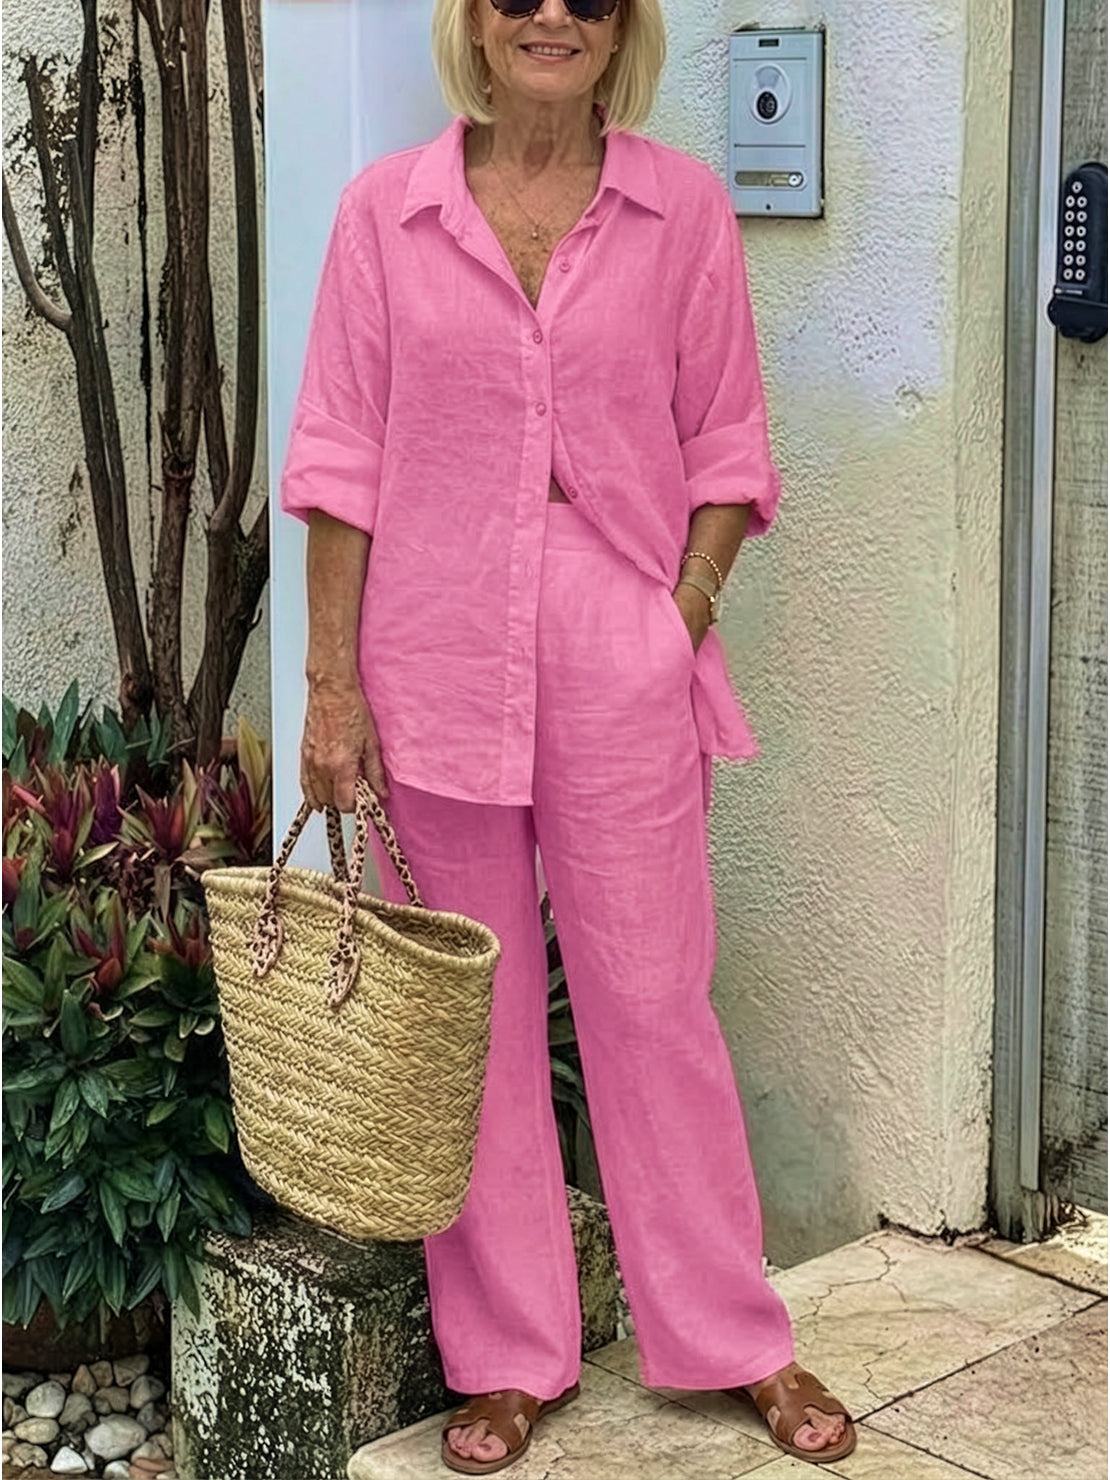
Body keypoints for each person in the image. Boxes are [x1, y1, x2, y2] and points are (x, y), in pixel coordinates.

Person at [279, 0, 856, 1471]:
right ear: (470, 20)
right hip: (431, 653)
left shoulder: (681, 211)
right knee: (466, 1016)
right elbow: (340, 458)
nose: (551, 14)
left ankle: (730, 1340)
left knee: (653, 998)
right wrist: (330, 691)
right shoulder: (384, 214)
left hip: (618, 646)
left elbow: (727, 439)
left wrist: (679, 617)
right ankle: (508, 1355)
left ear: (620, 30)